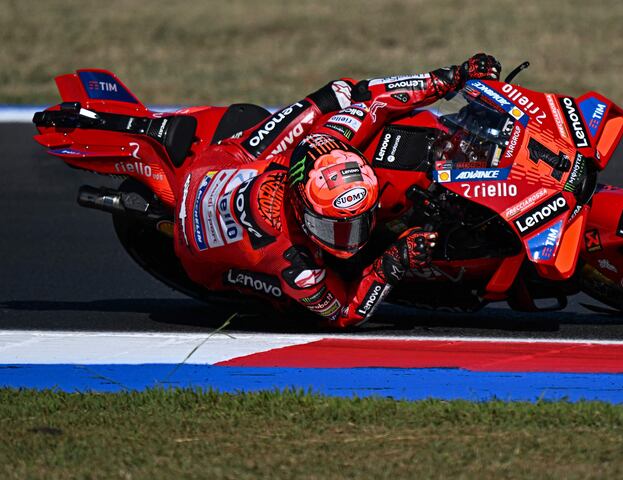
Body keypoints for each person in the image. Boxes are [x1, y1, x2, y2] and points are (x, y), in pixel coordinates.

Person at [173, 54, 501, 326]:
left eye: (358, 222)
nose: (352, 239)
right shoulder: (297, 263)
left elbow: (373, 98)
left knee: (338, 95)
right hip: (199, 257)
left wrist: (450, 78)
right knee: (290, 309)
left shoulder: (328, 144)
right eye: (335, 227)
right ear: (302, 209)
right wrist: (388, 264)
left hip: (231, 161)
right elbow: (344, 314)